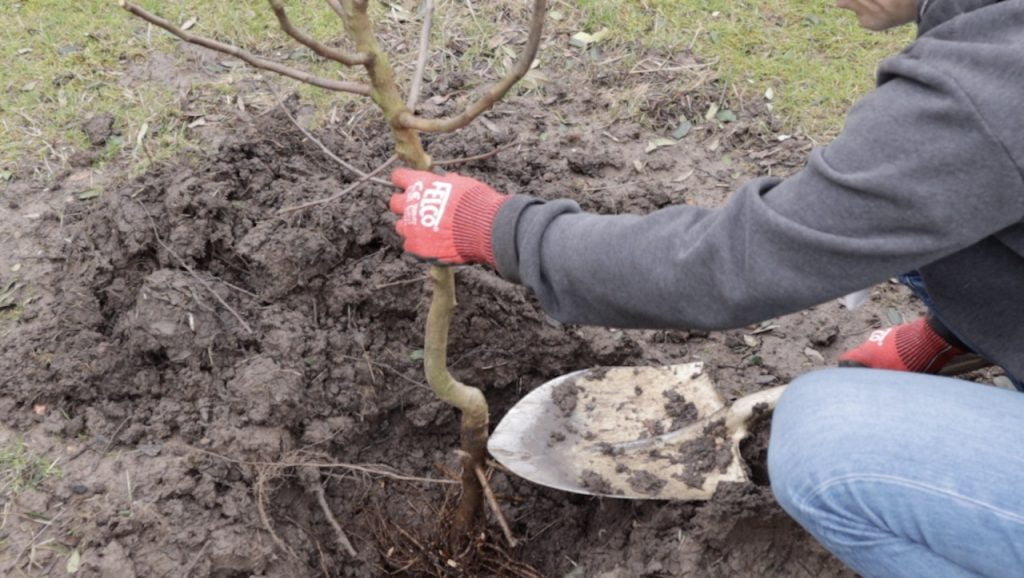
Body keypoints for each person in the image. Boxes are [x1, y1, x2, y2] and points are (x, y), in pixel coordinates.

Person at [387, 0, 1024, 575]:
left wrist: (506, 231)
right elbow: (962, 199)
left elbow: (738, 263)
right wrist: (951, 335)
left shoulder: (989, 90)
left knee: (825, 441)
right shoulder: (986, 41)